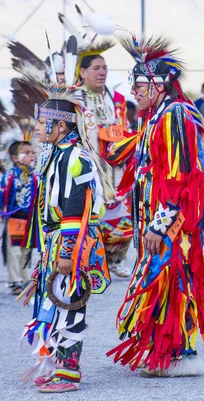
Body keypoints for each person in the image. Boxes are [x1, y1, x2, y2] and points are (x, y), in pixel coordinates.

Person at [107, 35, 204, 377]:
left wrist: (160, 224)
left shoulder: (176, 116)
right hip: (159, 217)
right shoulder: (156, 116)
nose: (135, 91)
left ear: (160, 84)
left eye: (140, 84)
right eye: (133, 84)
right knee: (159, 280)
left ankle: (179, 353)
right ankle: (161, 350)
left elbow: (181, 176)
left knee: (172, 278)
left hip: (173, 220)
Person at [19, 68, 111, 393]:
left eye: (44, 124)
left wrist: (68, 252)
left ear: (61, 125)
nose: (39, 129)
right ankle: (57, 362)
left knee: (69, 303)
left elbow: (77, 204)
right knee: (54, 302)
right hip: (56, 240)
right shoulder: (54, 155)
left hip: (74, 239)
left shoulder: (76, 157)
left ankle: (69, 372)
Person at [73, 38, 133, 278]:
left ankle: (115, 258)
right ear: (83, 72)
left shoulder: (117, 99)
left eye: (104, 67)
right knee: (89, 211)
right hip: (86, 164)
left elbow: (125, 128)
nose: (102, 72)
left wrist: (125, 151)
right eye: (96, 68)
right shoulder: (74, 99)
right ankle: (89, 260)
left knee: (119, 209)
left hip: (114, 164)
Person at [0, 139, 35, 295]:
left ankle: (26, 278)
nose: (31, 155)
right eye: (27, 153)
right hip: (14, 218)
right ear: (15, 158)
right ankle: (15, 281)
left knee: (26, 250)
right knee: (14, 250)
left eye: (32, 152)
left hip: (29, 219)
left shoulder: (35, 176)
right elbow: (2, 196)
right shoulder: (9, 176)